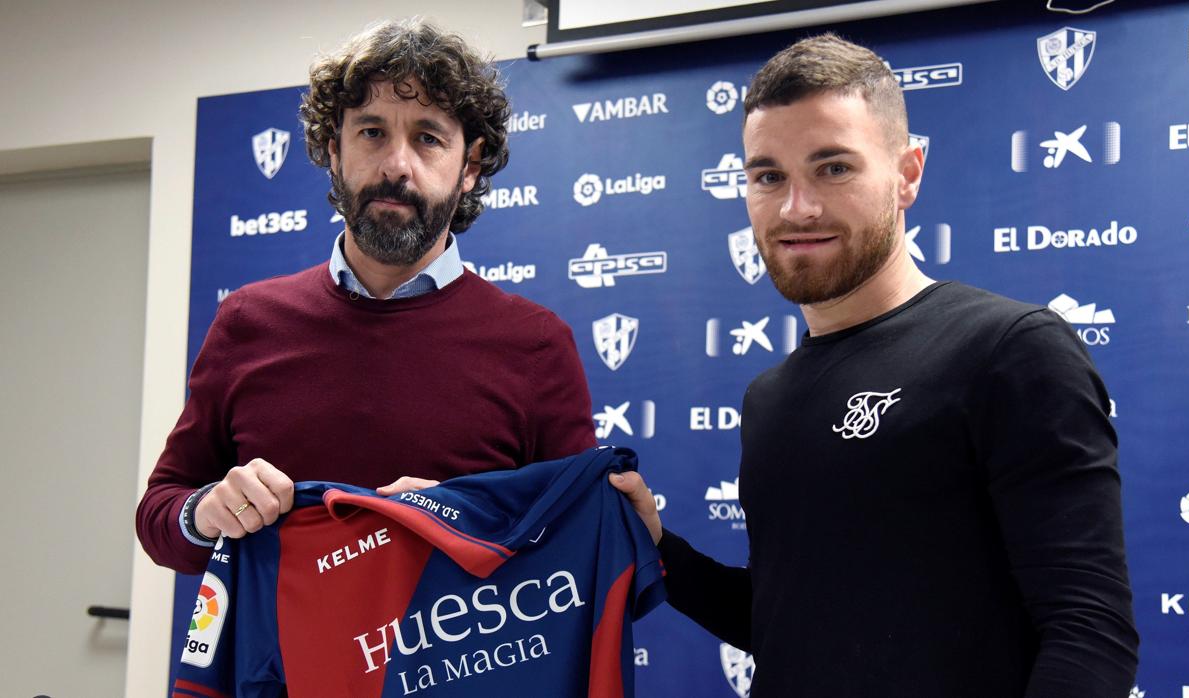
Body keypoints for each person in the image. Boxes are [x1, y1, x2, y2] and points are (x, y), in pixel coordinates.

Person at [611, 33, 1138, 697]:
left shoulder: (1009, 350)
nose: (797, 208)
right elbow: (789, 626)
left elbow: (1089, 634)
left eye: (834, 168)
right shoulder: (769, 395)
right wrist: (659, 545)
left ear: (907, 173)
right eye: (768, 176)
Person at [137, 19, 596, 575]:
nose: (396, 165)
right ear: (335, 151)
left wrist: (471, 521)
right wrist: (204, 512)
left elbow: (583, 545)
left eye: (428, 138)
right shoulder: (247, 320)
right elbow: (160, 516)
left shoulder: (536, 345)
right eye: (372, 132)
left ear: (469, 167)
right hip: (274, 637)